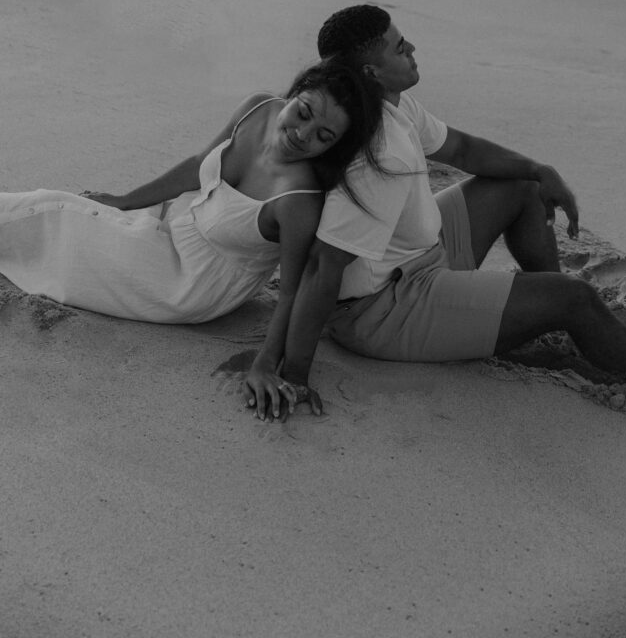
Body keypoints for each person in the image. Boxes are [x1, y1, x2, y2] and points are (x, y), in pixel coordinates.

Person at [269, 4, 626, 416]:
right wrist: (295, 375)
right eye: (398, 48)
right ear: (370, 74)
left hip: (420, 255)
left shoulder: (392, 105)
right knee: (575, 298)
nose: (411, 47)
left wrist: (541, 170)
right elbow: (323, 268)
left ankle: (542, 314)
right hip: (383, 308)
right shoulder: (380, 154)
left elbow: (461, 149)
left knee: (522, 186)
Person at [0, 59, 383, 416]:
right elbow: (199, 166)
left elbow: (291, 291)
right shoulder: (259, 109)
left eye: (323, 136)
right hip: (176, 223)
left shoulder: (297, 201)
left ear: (333, 147)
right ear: (295, 92)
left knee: (56, 215)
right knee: (64, 210)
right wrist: (125, 201)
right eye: (302, 112)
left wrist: (265, 364)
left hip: (189, 281)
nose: (302, 134)